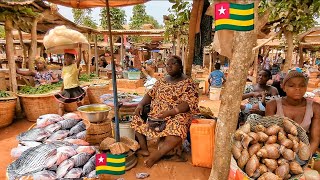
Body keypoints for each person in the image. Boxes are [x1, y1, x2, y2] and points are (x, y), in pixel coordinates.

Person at [131, 55, 199, 168]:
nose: (170, 66)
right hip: (157, 114)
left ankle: (156, 156)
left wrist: (170, 112)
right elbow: (149, 94)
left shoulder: (188, 83)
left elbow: (188, 103)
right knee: (136, 118)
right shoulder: (162, 80)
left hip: (177, 114)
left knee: (179, 128)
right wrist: (140, 104)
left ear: (180, 66)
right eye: (168, 65)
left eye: (173, 64)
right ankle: (144, 149)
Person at [266, 70, 320, 155]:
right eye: (291, 85)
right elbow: (268, 133)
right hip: (276, 151)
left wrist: (305, 159)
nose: (297, 89)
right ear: (283, 87)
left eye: (302, 85)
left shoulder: (315, 107)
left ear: (306, 87)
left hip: (303, 151)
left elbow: (315, 139)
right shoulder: (273, 105)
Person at [54, 50, 86, 116]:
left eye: (68, 57)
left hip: (75, 89)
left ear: (73, 59)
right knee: (61, 105)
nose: (66, 59)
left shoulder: (74, 66)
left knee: (79, 104)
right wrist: (61, 89)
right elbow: (64, 79)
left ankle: (84, 117)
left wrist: (79, 48)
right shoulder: (64, 68)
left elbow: (79, 59)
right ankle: (60, 119)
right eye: (65, 57)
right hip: (66, 90)